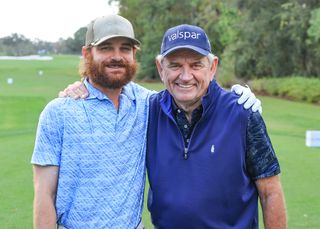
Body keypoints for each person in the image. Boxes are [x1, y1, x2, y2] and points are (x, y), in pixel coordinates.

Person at [32, 15, 261, 229]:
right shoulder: (58, 113)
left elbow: (189, 87)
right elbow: (44, 195)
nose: (116, 56)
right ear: (87, 54)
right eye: (105, 48)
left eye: (125, 49)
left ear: (134, 54)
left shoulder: (147, 104)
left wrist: (239, 96)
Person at [146, 24, 287, 229]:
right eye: (175, 65)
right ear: (160, 68)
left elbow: (270, 192)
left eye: (196, 65)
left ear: (212, 67)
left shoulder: (242, 113)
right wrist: (82, 88)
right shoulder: (148, 112)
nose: (185, 76)